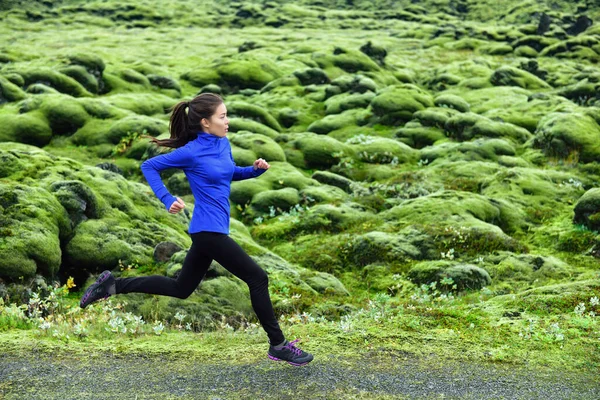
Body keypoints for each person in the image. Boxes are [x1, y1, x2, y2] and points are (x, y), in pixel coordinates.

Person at [80, 93, 313, 366]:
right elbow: (149, 166)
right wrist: (167, 199)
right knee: (258, 277)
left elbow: (228, 173)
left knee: (181, 288)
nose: (227, 122)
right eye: (222, 117)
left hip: (213, 231)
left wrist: (253, 171)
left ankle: (112, 285)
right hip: (207, 231)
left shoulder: (223, 144)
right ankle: (279, 345)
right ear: (205, 122)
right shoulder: (191, 151)